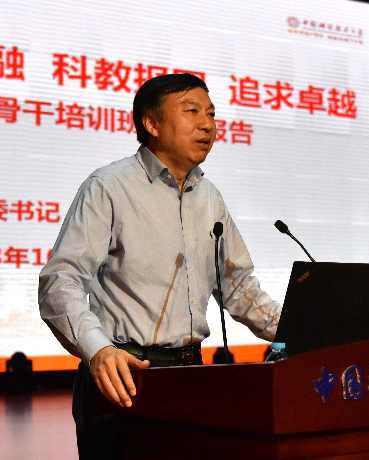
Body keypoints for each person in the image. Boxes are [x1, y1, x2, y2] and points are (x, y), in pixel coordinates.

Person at [38, 73, 281, 459]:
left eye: (211, 114)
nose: (207, 125)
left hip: (192, 375)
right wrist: (98, 350)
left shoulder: (209, 196)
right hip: (125, 375)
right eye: (192, 111)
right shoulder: (109, 186)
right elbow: (60, 281)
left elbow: (236, 285)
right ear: (151, 123)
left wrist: (299, 330)